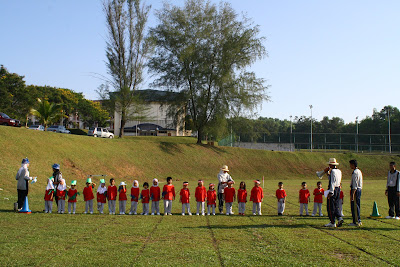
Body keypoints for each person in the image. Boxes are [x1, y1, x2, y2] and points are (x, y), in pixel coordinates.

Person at [323, 158, 343, 227]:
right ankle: (339, 218)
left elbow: (332, 182)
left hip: (333, 189)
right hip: (338, 189)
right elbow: (335, 180)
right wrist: (327, 173)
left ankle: (332, 222)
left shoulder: (333, 172)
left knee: (330, 206)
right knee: (336, 205)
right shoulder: (339, 171)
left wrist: (331, 192)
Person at [349, 159, 363, 226]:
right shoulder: (359, 171)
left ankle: (357, 221)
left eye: (350, 164)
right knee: (357, 205)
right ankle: (357, 220)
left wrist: (352, 193)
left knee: (355, 205)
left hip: (356, 190)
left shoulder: (355, 172)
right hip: (359, 189)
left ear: (353, 165)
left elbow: (355, 184)